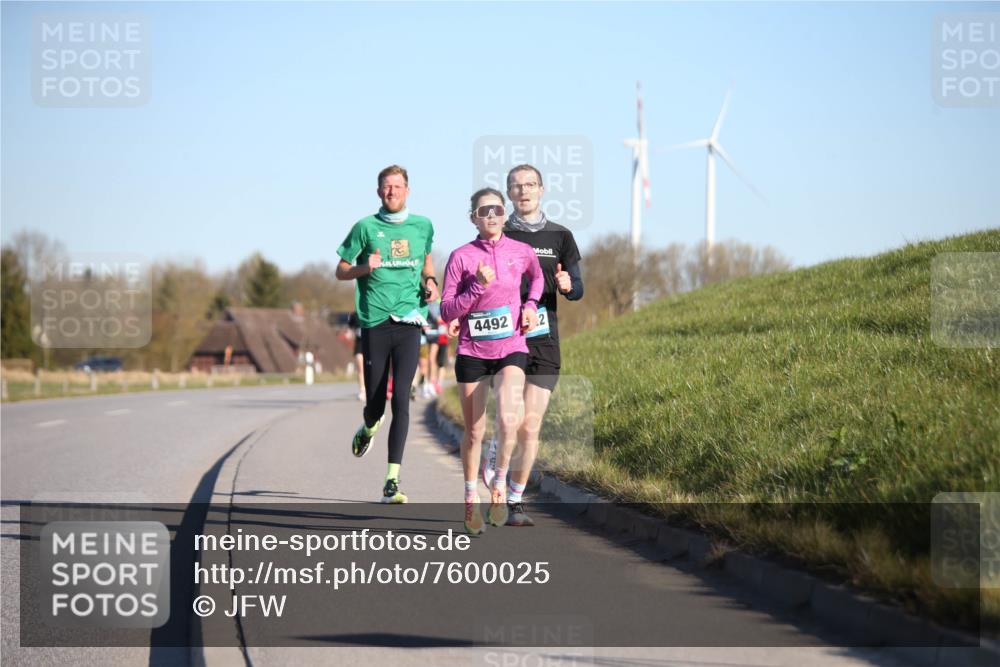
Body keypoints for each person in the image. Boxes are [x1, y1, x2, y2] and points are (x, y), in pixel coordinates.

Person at [481, 164, 584, 527]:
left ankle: (516, 499)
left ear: (542, 189)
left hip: (545, 339)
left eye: (530, 185)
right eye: (516, 186)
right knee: (512, 419)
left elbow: (578, 288)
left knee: (530, 426)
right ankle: (498, 461)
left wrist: (569, 285)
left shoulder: (561, 236)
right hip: (506, 338)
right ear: (509, 194)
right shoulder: (497, 234)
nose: (523, 191)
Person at [440, 187, 542, 535]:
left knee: (511, 420)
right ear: (474, 218)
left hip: (511, 346)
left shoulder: (521, 251)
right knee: (474, 432)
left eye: (497, 209)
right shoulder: (461, 257)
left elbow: (538, 277)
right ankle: (471, 499)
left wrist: (530, 306)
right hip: (472, 351)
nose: (492, 215)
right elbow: (447, 310)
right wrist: (476, 287)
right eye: (485, 211)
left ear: (504, 213)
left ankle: (499, 485)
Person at [336, 165, 439, 503]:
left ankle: (391, 481)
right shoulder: (365, 227)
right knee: (376, 404)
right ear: (379, 191)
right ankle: (368, 427)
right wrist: (365, 268)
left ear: (407, 190)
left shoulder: (423, 226)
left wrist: (431, 283)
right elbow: (340, 271)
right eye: (386, 187)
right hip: (375, 321)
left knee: (401, 400)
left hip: (409, 320)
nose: (392, 191)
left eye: (397, 186)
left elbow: (426, 264)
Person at [348, 311, 365, 402]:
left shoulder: (373, 310)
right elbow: (350, 328)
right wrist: (349, 333)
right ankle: (362, 390)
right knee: (360, 367)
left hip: (372, 343)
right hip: (359, 344)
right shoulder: (354, 315)